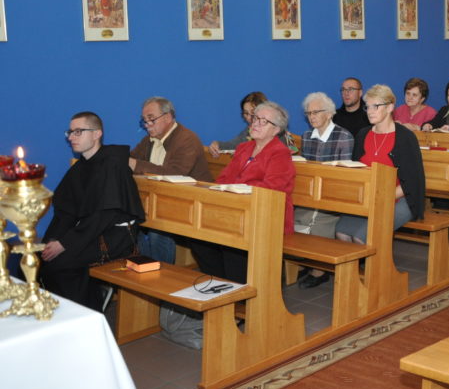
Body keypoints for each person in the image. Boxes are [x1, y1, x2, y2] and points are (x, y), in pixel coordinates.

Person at [41, 112, 144, 310]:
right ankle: (59, 315)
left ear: (97, 134)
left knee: (61, 264)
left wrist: (65, 243)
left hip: (115, 237)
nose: (71, 137)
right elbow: (66, 211)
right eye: (70, 132)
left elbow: (105, 214)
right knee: (39, 257)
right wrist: (51, 240)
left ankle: (88, 313)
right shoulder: (81, 167)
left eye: (78, 132)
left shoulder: (112, 164)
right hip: (90, 231)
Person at [191, 101, 296, 283]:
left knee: (233, 242)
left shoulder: (280, 153)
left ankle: (239, 287)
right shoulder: (244, 148)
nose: (255, 123)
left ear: (276, 129)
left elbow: (272, 189)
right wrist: (219, 191)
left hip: (267, 215)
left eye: (263, 121)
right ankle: (221, 282)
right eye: (255, 118)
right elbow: (224, 178)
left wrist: (238, 189)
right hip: (235, 210)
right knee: (198, 237)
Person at [336, 85, 425, 242]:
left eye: (375, 106)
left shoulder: (405, 137)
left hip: (400, 198)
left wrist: (381, 198)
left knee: (361, 238)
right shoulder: (363, 134)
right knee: (342, 233)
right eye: (367, 107)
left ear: (390, 107)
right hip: (368, 197)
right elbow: (356, 171)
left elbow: (411, 182)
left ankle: (377, 259)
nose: (370, 111)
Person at [130, 96, 213, 263]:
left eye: (151, 119)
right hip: (159, 200)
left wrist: (135, 164)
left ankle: (159, 271)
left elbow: (175, 174)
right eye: (144, 120)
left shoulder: (187, 139)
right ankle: (142, 268)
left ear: (167, 117)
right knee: (129, 219)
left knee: (158, 229)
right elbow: (131, 159)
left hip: (191, 202)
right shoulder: (148, 140)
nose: (147, 124)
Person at [294, 92, 354, 288]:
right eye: (308, 113)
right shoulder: (307, 136)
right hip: (311, 191)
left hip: (332, 193)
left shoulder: (343, 136)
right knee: (297, 217)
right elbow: (306, 169)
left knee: (318, 220)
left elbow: (343, 175)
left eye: (316, 112)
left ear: (329, 113)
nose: (311, 117)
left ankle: (319, 270)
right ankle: (303, 260)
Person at [207, 91, 267, 157]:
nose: (249, 117)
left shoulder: (271, 134)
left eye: (253, 112)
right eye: (246, 113)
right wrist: (217, 145)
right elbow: (232, 145)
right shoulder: (248, 131)